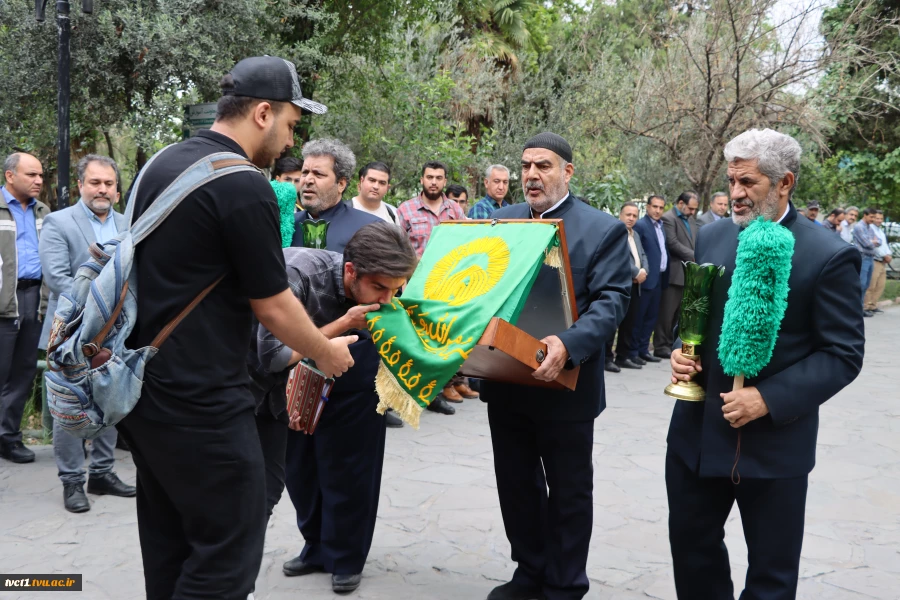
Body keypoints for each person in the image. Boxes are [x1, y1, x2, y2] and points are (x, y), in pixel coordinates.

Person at [117, 56, 357, 600]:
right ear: (264, 113)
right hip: (204, 401)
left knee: (169, 540)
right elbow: (273, 305)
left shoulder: (162, 163)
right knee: (230, 548)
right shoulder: (244, 184)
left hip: (146, 392)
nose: (291, 141)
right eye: (292, 125)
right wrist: (325, 351)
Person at [667, 128, 865, 600]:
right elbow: (697, 319)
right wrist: (682, 353)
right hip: (696, 436)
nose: (735, 193)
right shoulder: (712, 237)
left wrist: (766, 398)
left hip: (775, 446)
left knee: (772, 577)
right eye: (732, 180)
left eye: (748, 182)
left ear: (784, 183)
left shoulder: (829, 254)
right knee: (693, 555)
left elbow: (843, 354)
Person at [482, 132, 632, 600]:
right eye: (525, 166)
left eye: (543, 166)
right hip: (506, 380)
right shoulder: (500, 221)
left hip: (566, 384)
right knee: (515, 485)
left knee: (568, 492)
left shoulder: (601, 228)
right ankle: (529, 572)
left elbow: (613, 301)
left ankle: (565, 584)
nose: (531, 175)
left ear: (567, 171)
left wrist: (568, 344)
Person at [251, 223, 417, 593]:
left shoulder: (381, 291)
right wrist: (342, 324)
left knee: (352, 469)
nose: (387, 300)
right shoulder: (297, 275)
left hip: (357, 374)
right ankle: (316, 547)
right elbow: (273, 357)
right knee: (301, 468)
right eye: (379, 288)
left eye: (396, 290)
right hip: (288, 379)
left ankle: (346, 557)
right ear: (350, 271)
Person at [38, 155, 135, 512]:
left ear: (117, 189)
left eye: (109, 184)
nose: (102, 189)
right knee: (70, 407)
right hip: (70, 333)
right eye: (95, 182)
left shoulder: (129, 224)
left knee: (109, 401)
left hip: (115, 335)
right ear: (80, 185)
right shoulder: (58, 222)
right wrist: (100, 307)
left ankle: (102, 473)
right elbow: (57, 277)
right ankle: (72, 481)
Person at [396, 161, 467, 415]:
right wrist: (402, 286)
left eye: (438, 177)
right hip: (416, 286)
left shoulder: (456, 211)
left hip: (448, 287)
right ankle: (409, 395)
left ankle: (435, 394)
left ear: (445, 181)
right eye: (429, 177)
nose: (434, 182)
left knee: (441, 342)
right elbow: (400, 251)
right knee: (414, 343)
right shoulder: (406, 210)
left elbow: (466, 245)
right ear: (422, 179)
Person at [0, 152, 50, 465]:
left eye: (41, 175)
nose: (39, 181)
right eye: (31, 175)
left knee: (22, 373)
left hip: (33, 298)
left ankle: (8, 438)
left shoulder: (42, 211)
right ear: (10, 176)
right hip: (3, 300)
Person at [654, 191, 699, 358]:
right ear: (681, 203)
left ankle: (673, 345)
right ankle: (661, 345)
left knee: (680, 314)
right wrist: (695, 255)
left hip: (688, 274)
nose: (693, 212)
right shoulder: (669, 218)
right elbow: (673, 243)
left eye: (695, 209)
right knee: (667, 313)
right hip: (674, 273)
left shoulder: (691, 220)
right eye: (690, 208)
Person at [606, 202, 648, 372]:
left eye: (634, 216)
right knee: (613, 324)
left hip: (635, 286)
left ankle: (623, 356)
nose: (631, 218)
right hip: (619, 284)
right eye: (628, 215)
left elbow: (642, 254)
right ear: (620, 215)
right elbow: (617, 257)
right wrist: (636, 273)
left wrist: (645, 270)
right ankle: (607, 359)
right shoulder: (614, 233)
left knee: (629, 323)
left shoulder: (635, 234)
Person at [632, 195, 668, 365]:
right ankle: (633, 352)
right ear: (647, 207)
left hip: (658, 279)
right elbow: (636, 250)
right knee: (638, 317)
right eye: (655, 206)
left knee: (651, 318)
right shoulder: (640, 225)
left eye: (661, 207)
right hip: (644, 279)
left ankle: (643, 349)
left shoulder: (661, 226)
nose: (658, 210)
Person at [852, 207, 880, 315]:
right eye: (871, 217)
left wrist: (873, 241)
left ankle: (860, 308)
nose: (873, 219)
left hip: (870, 257)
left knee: (866, 284)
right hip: (863, 257)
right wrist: (873, 241)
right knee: (861, 284)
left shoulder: (870, 227)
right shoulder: (859, 227)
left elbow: (880, 241)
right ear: (865, 215)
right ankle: (856, 310)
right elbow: (867, 243)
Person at [864, 210, 892, 315]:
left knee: (880, 285)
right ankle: (866, 306)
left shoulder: (880, 231)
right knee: (871, 285)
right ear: (873, 218)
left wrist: (889, 255)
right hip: (875, 260)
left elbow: (884, 245)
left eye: (881, 218)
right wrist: (884, 255)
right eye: (877, 218)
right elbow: (875, 246)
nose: (879, 220)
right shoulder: (870, 229)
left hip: (883, 262)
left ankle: (873, 305)